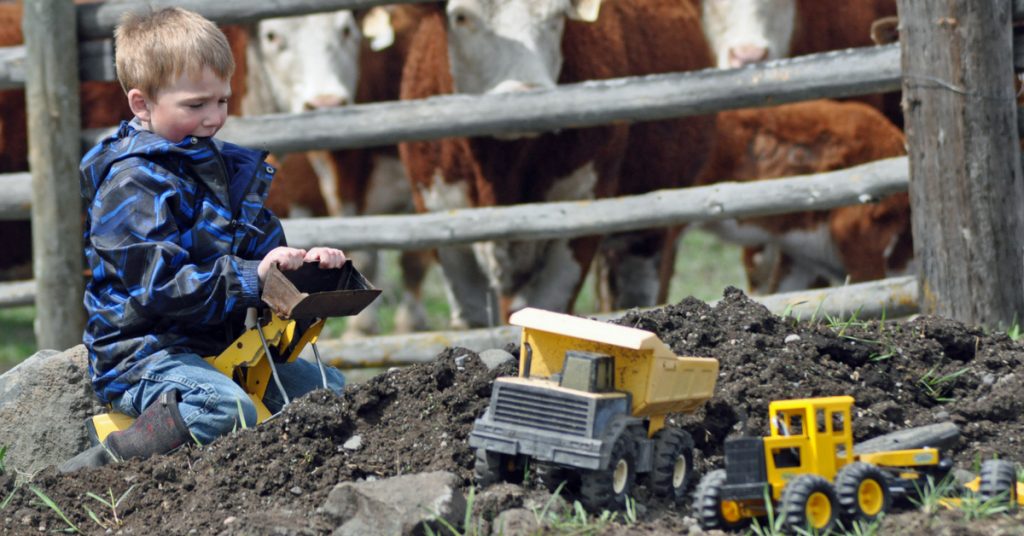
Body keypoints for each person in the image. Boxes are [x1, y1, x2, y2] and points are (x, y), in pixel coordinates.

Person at [60, 7, 347, 472]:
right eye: (196, 105)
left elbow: (260, 247)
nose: (214, 118)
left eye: (223, 101)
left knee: (327, 389)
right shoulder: (131, 185)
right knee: (223, 409)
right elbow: (159, 287)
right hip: (145, 352)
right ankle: (103, 464)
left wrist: (301, 261)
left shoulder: (219, 168)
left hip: (222, 344)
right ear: (141, 104)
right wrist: (252, 277)